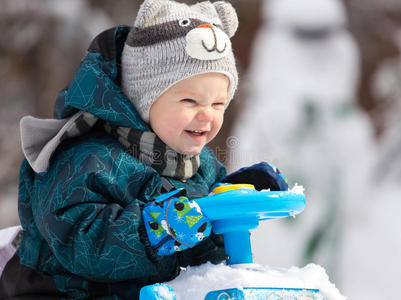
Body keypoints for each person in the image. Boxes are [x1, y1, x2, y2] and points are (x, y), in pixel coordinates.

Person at [0, 0, 288, 299]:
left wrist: (235, 194)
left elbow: (203, 227)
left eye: (218, 104)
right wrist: (159, 227)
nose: (207, 115)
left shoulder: (202, 167)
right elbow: (82, 244)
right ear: (143, 101)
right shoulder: (85, 161)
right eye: (190, 101)